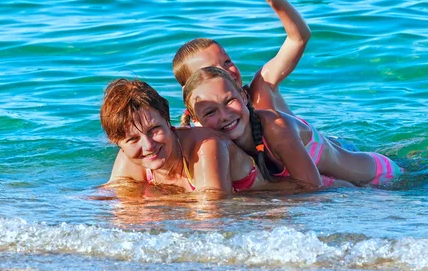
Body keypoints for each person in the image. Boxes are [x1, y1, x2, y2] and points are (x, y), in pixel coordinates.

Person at [100, 78, 325, 197]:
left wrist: (151, 202)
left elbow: (214, 212)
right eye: (132, 140)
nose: (148, 145)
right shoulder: (129, 156)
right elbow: (115, 202)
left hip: (300, 196)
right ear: (117, 143)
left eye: (154, 130)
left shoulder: (207, 146)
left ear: (168, 122)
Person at [182, 67, 403, 187]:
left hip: (379, 177)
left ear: (244, 95)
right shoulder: (211, 146)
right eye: (210, 112)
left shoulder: (277, 128)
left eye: (229, 101)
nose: (224, 115)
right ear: (196, 120)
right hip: (349, 188)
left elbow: (311, 189)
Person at [173, 0, 310, 116]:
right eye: (211, 69)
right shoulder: (203, 127)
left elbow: (299, 38)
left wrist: (276, 1)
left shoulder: (261, 89)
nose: (226, 71)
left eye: (227, 61)